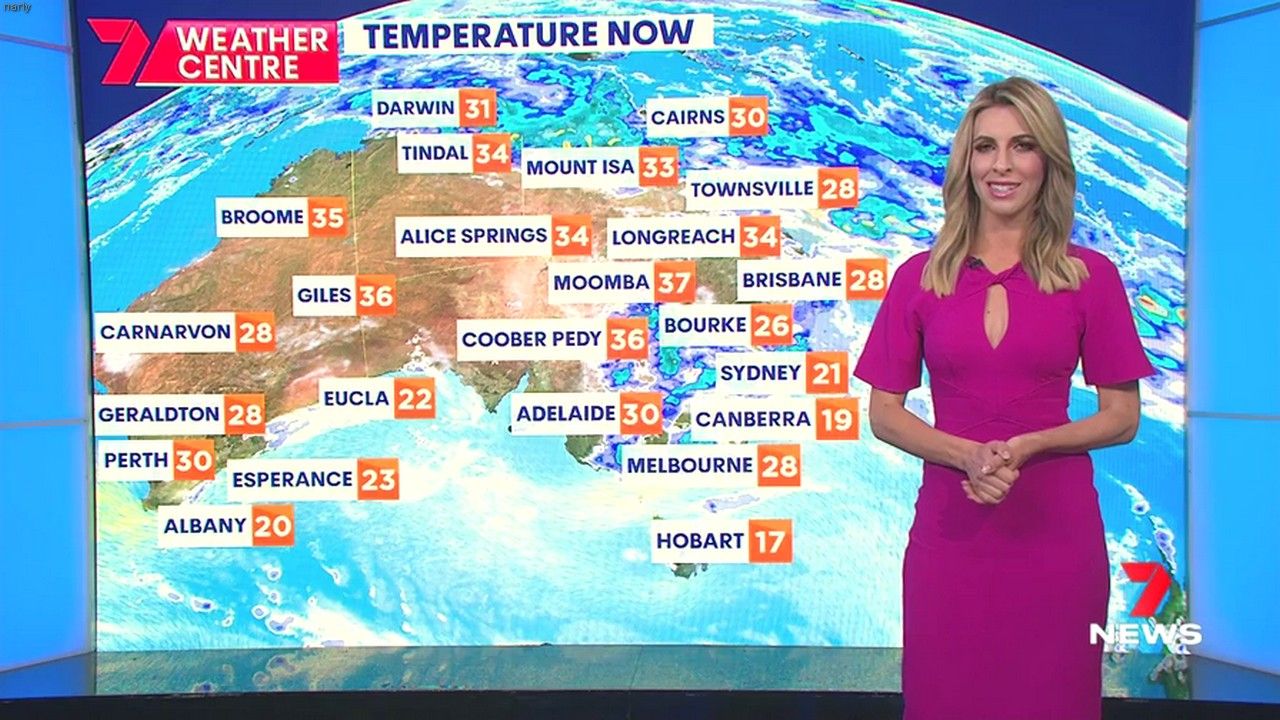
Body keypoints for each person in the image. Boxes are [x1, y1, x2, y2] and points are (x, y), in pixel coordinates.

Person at [852, 76, 1156, 720]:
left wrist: (1032, 444)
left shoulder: (1091, 277)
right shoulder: (919, 277)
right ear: (966, 163)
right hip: (950, 537)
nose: (1002, 165)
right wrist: (965, 455)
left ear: (1048, 160)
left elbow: (1122, 416)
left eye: (1022, 146)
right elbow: (885, 413)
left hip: (1056, 539)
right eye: (985, 147)